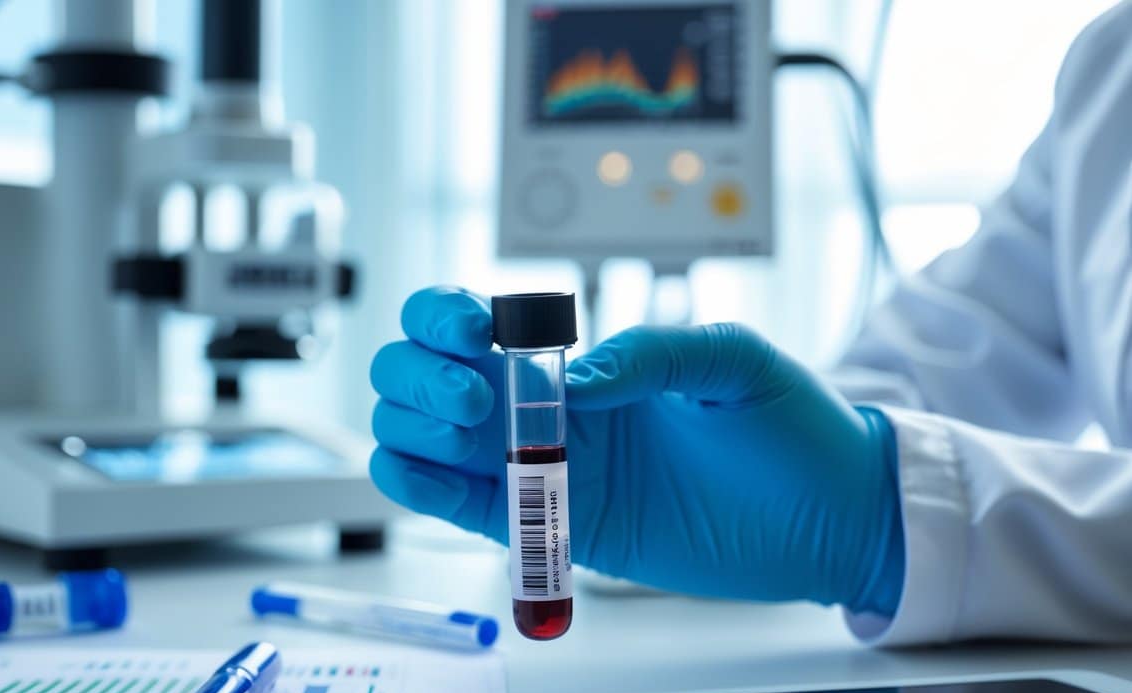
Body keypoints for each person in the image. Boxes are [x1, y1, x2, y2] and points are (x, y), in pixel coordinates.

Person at [368, 2, 1132, 646]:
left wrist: (882, 523)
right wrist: (717, 446)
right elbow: (961, 346)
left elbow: (903, 482)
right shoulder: (1113, 65)